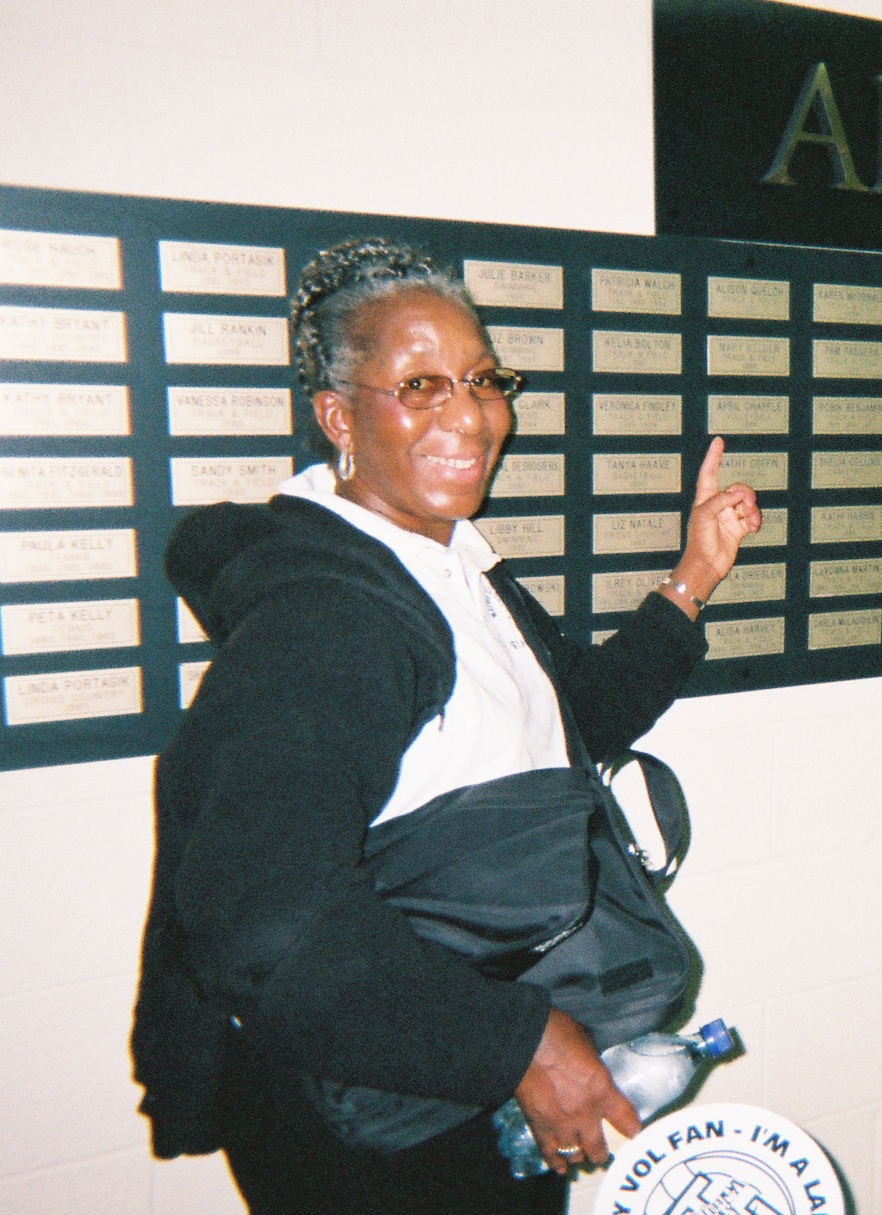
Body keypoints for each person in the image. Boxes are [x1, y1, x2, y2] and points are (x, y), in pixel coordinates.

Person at [130, 237, 759, 1214]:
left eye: (481, 380)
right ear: (338, 415)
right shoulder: (328, 612)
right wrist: (519, 1044)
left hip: (456, 1075)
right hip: (370, 1119)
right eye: (419, 385)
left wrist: (694, 578)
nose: (468, 416)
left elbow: (570, 720)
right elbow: (260, 918)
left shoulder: (451, 566)